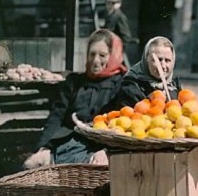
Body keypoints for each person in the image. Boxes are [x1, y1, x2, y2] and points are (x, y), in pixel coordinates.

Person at [24, 29, 126, 168]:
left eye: (102, 55)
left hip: (98, 148)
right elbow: (56, 117)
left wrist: (107, 151)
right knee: (31, 165)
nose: (95, 60)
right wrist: (44, 148)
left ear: (113, 55)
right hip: (65, 143)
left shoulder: (122, 85)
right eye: (92, 54)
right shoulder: (74, 82)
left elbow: (123, 124)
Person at [110, 36, 181, 107]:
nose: (163, 66)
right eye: (158, 60)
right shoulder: (131, 85)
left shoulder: (173, 85)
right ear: (146, 60)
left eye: (167, 60)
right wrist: (150, 99)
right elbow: (130, 113)